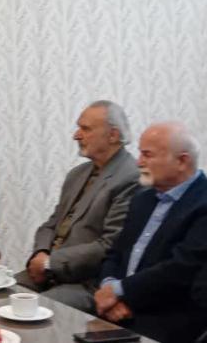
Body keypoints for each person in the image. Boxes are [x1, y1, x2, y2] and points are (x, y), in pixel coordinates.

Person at [14, 101, 140, 312]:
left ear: (113, 135)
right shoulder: (77, 174)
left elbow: (109, 245)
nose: (76, 135)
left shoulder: (130, 178)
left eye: (86, 129)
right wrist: (40, 254)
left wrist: (50, 262)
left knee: (35, 312)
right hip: (50, 271)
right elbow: (52, 224)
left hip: (87, 282)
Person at [95, 122, 207, 343]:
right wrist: (109, 286)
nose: (139, 162)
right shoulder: (142, 199)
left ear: (182, 161)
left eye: (147, 155)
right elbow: (115, 253)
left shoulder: (202, 203)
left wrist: (119, 292)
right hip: (117, 306)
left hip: (168, 316)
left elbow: (180, 269)